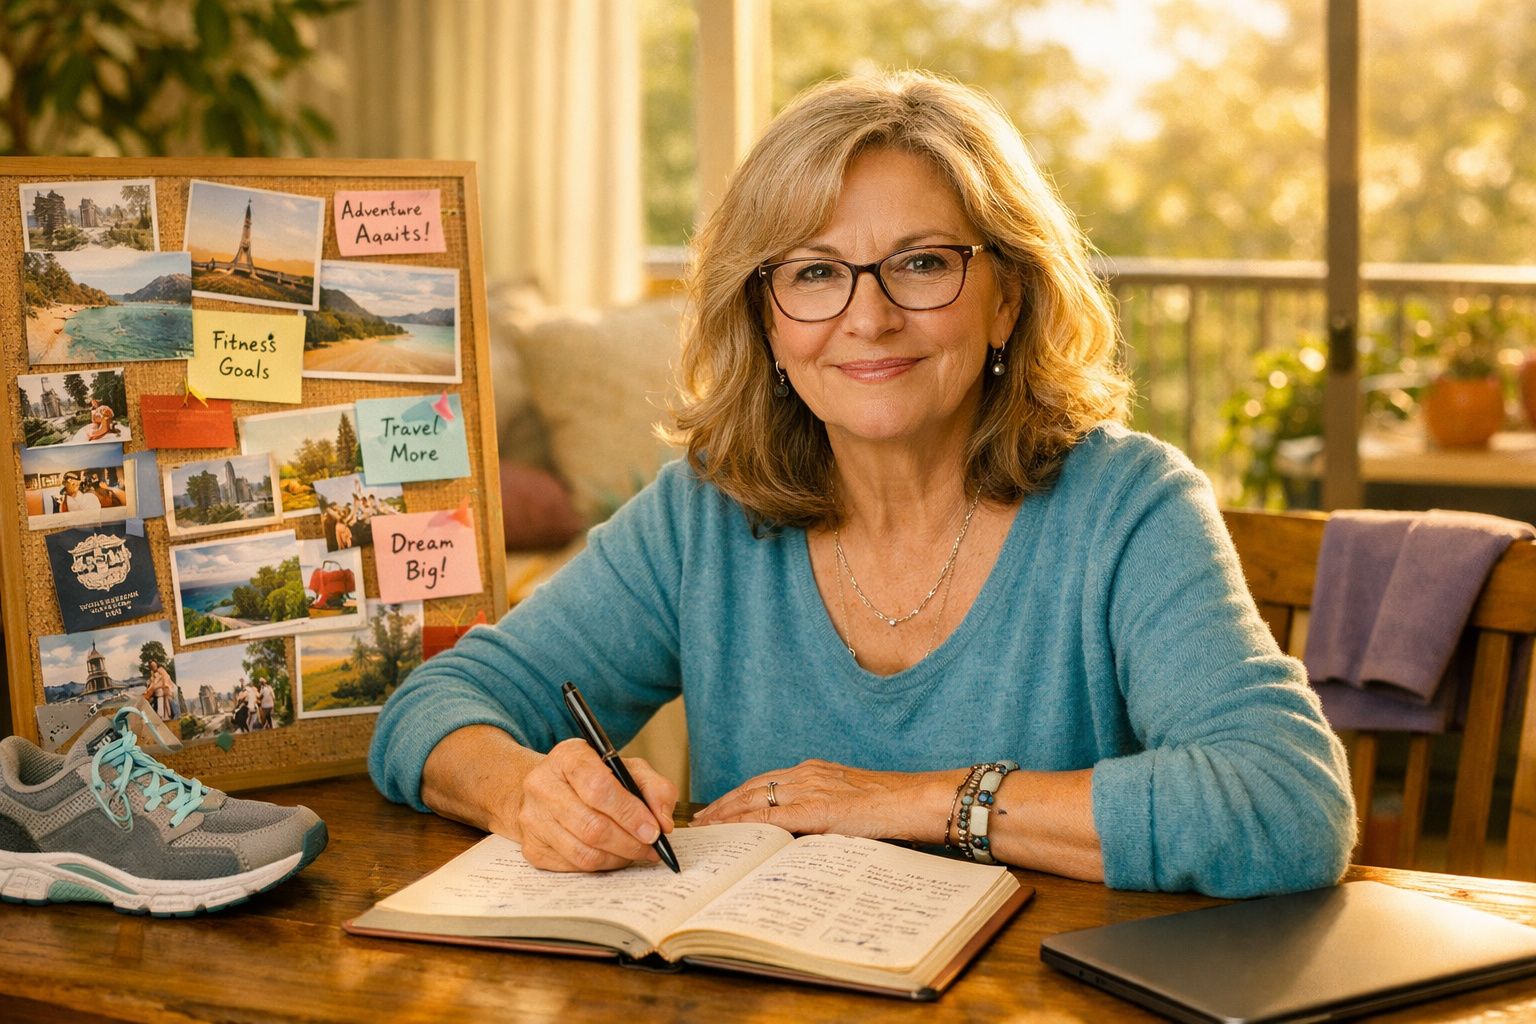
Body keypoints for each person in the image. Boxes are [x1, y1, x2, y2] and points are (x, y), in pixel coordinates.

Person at [369, 71, 1354, 898]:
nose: (868, 317)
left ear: (1007, 295)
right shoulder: (705, 512)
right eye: (813, 272)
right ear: (765, 315)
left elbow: (1286, 800)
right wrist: (526, 792)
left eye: (921, 263)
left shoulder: (1130, 507)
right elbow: (439, 702)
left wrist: (906, 799)